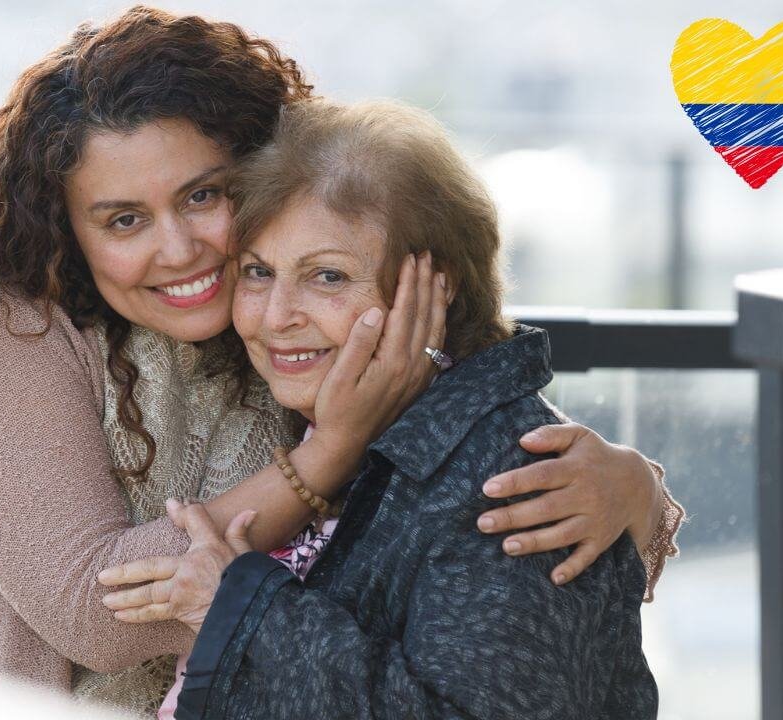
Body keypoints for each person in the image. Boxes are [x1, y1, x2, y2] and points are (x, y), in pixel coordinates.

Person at [0, 6, 681, 716]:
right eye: (123, 220)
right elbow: (91, 611)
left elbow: (468, 430)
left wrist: (635, 493)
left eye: (202, 195)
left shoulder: (291, 316)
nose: (179, 249)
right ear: (67, 226)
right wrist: (328, 455)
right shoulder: (8, 331)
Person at [101, 99, 657, 719]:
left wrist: (242, 610)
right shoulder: (337, 421)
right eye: (258, 272)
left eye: (328, 277)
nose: (276, 316)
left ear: (434, 289)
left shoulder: (515, 479)